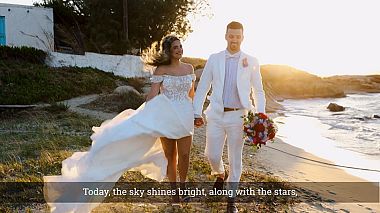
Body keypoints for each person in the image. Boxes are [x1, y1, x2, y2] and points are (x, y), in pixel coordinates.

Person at [43, 35, 196, 212]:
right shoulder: (161, 70)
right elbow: (153, 94)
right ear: (168, 50)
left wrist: (194, 112)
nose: (179, 49)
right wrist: (145, 115)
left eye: (180, 46)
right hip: (165, 118)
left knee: (185, 155)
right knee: (171, 156)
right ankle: (175, 194)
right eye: (175, 47)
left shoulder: (189, 68)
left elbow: (191, 94)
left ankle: (184, 186)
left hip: (184, 114)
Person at [193, 21, 266, 213]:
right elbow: (203, 86)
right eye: (231, 36)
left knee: (236, 158)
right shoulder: (214, 58)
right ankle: (220, 173)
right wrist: (196, 111)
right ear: (226, 36)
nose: (234, 40)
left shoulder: (252, 61)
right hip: (216, 114)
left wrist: (261, 116)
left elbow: (258, 91)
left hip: (239, 117)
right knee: (211, 154)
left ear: (243, 38)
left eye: (238, 36)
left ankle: (231, 200)